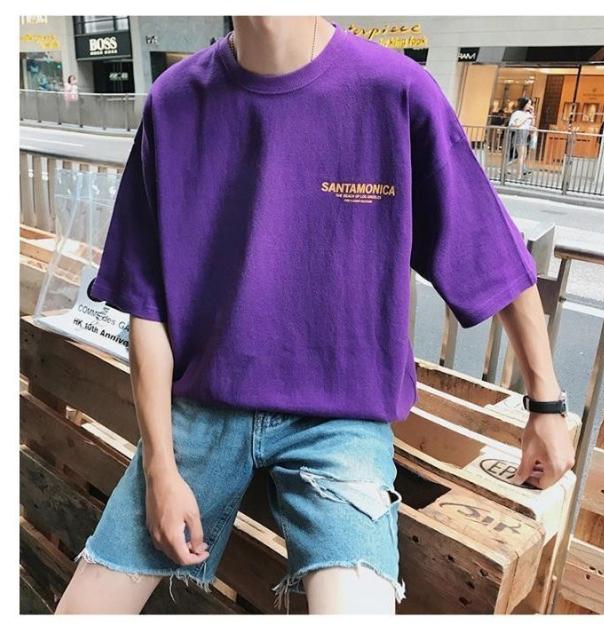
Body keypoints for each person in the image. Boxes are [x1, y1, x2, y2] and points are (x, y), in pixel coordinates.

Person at [54, 16, 574, 615]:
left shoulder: (396, 92)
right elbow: (147, 305)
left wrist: (546, 404)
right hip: (201, 410)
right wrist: (159, 470)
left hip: (340, 421)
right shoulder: (174, 101)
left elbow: (491, 252)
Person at [507, 97, 535, 179]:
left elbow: (532, 124)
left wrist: (532, 114)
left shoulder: (528, 114)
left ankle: (505, 166)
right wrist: (526, 118)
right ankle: (519, 175)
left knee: (523, 156)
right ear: (524, 104)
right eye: (528, 103)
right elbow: (513, 125)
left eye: (530, 104)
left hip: (525, 135)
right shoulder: (517, 113)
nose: (530, 105)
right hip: (519, 134)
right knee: (521, 156)